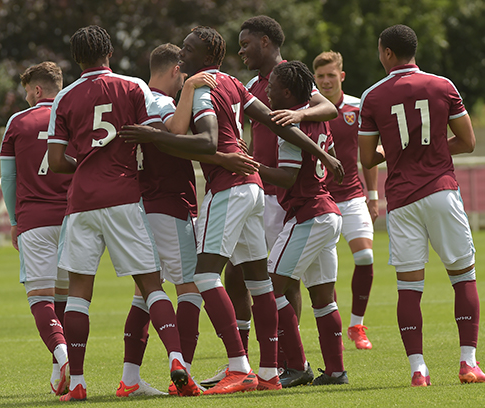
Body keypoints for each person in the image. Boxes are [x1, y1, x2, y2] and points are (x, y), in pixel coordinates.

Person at [119, 26, 344, 395]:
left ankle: (239, 366)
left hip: (228, 189)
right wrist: (320, 153)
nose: (182, 57)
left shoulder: (205, 86)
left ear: (206, 55)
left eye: (188, 50)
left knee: (204, 276)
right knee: (259, 282)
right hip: (253, 190)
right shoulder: (236, 84)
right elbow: (276, 120)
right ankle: (270, 372)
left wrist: (153, 136)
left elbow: (207, 140)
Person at [46, 25, 199, 401]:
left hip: (82, 202)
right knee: (151, 285)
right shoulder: (133, 87)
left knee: (80, 294)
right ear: (110, 51)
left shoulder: (63, 98)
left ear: (75, 58)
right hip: (125, 197)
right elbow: (154, 135)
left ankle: (79, 384)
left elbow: (54, 161)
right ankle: (177, 360)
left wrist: (85, 161)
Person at [358, 24, 485, 387]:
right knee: (463, 275)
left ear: (386, 53)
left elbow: (368, 158)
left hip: (402, 201)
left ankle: (418, 370)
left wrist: (399, 153)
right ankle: (468, 364)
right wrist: (431, 150)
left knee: (409, 288)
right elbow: (468, 141)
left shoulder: (371, 97)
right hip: (441, 192)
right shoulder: (442, 85)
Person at [119, 43, 255, 397]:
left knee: (144, 293)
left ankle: (130, 378)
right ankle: (188, 368)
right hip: (170, 204)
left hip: (139, 206)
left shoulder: (135, 97)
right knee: (191, 288)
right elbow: (175, 137)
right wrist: (224, 158)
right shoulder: (164, 102)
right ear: (177, 70)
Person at [205, 17, 337, 377]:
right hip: (260, 189)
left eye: (245, 43)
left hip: (284, 192)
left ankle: (287, 361)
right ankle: (245, 360)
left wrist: (299, 112)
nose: (241, 50)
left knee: (280, 278)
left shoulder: (288, 79)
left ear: (265, 42)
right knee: (238, 271)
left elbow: (329, 108)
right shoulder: (251, 84)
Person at [259, 60, 348, 386]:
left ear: (285, 92)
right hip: (328, 211)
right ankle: (336, 371)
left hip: (310, 213)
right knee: (324, 297)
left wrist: (252, 166)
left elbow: (287, 175)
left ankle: (297, 366)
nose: (267, 92)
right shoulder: (318, 119)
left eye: (271, 88)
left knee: (271, 286)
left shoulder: (289, 123)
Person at [0, 61, 71, 396]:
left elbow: (8, 179)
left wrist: (15, 222)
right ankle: (65, 370)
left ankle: (61, 354)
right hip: (74, 219)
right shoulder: (74, 113)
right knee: (67, 300)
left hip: (35, 222)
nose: (26, 97)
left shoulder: (18, 122)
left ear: (37, 90)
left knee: (40, 298)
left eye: (28, 91)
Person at [313, 51, 379, 350]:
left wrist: (373, 195)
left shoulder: (356, 108)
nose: (326, 81)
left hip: (352, 196)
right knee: (326, 270)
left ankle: (357, 325)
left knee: (365, 257)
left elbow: (368, 155)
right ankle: (335, 328)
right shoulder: (308, 108)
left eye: (331, 75)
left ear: (341, 76)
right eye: (321, 76)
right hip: (320, 199)